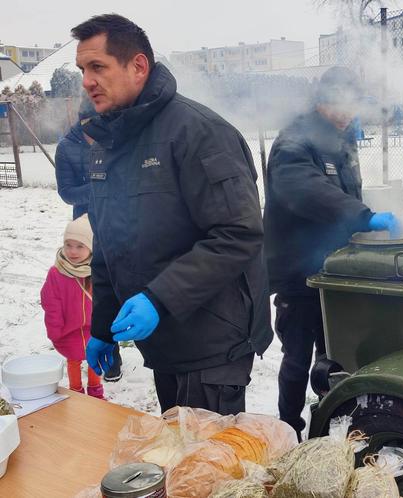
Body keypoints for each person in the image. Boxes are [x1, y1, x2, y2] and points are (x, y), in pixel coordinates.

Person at [72, 14, 272, 416]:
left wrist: (158, 299)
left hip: (214, 342)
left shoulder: (197, 132)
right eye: (82, 70)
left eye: (97, 67)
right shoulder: (110, 144)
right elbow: (110, 243)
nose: (87, 81)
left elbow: (238, 233)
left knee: (210, 470)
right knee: (178, 459)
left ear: (138, 66)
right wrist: (102, 326)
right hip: (164, 339)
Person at [263, 66, 400, 437]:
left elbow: (346, 192)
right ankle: (288, 428)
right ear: (323, 100)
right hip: (299, 272)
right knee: (297, 356)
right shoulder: (295, 141)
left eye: (353, 106)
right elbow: (306, 191)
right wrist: (363, 217)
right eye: (342, 104)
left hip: (335, 270)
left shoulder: (341, 140)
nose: (348, 114)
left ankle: (331, 422)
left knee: (336, 352)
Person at [54, 99, 124, 383]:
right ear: (83, 123)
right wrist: (99, 185)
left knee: (123, 283)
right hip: (88, 228)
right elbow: (67, 192)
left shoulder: (113, 137)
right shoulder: (66, 148)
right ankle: (111, 354)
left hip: (120, 220)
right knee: (97, 291)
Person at [40, 214, 104, 399]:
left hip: (94, 328)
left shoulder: (97, 270)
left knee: (94, 357)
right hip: (69, 329)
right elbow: (51, 302)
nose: (73, 251)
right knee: (73, 360)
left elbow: (107, 298)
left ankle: (95, 390)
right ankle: (76, 390)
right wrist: (55, 328)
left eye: (80, 246)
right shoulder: (56, 272)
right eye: (68, 245)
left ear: (91, 248)